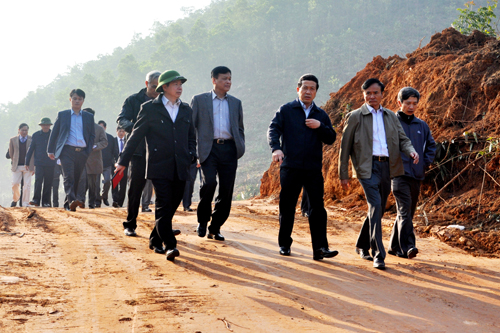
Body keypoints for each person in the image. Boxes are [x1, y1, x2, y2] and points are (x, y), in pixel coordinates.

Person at [115, 70, 196, 261]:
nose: (179, 87)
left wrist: (192, 154)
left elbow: (191, 136)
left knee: (172, 205)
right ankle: (170, 245)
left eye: (181, 84)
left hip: (181, 164)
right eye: (175, 84)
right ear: (164, 87)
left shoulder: (186, 109)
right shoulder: (149, 108)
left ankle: (154, 239)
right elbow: (135, 136)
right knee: (162, 204)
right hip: (159, 164)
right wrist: (123, 161)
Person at [339, 78, 418, 270]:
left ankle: (361, 244)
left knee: (378, 209)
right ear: (363, 95)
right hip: (366, 168)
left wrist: (411, 150)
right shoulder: (356, 116)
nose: (372, 96)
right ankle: (378, 254)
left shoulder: (391, 116)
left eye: (375, 93)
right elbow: (345, 147)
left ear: (383, 94)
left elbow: (402, 139)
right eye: (368, 93)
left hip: (387, 168)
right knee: (375, 205)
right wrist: (343, 174)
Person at [267, 74, 338, 260]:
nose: (308, 91)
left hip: (313, 169)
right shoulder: (287, 110)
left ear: (316, 92)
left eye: (312, 88)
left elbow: (331, 138)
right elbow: (273, 129)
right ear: (298, 89)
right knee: (287, 206)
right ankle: (284, 244)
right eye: (305, 88)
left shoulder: (320, 115)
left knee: (317, 208)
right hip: (291, 166)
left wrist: (320, 126)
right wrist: (276, 148)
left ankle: (320, 248)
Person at [191, 66, 245, 241]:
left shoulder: (236, 102)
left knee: (226, 190)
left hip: (229, 149)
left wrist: (240, 146)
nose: (228, 82)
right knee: (209, 184)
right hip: (208, 149)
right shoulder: (199, 100)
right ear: (214, 80)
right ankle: (202, 220)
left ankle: (216, 226)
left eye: (230, 78)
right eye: (224, 79)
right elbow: (191, 128)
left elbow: (239, 127)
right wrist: (193, 150)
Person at [389, 87, 436, 259]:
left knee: (408, 211)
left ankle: (394, 246)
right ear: (399, 102)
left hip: (416, 174)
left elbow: (431, 146)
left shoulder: (421, 125)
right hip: (398, 173)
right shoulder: (391, 122)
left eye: (414, 103)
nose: (411, 106)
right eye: (408, 103)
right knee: (404, 209)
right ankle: (408, 246)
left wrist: (424, 163)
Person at [117, 71, 161, 236]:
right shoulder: (133, 100)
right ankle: (130, 224)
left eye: (159, 87)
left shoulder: (165, 100)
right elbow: (122, 119)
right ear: (146, 84)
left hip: (160, 151)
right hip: (138, 151)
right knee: (136, 188)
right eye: (153, 86)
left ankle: (162, 227)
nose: (156, 90)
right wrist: (136, 128)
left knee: (163, 191)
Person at [47, 89, 95, 211]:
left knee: (77, 177)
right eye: (74, 98)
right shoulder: (63, 115)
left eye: (79, 99)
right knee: (69, 177)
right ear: (70, 100)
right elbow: (55, 133)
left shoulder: (89, 117)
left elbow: (92, 135)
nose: (77, 101)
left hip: (82, 151)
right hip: (66, 150)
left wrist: (88, 150)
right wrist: (50, 150)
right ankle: (73, 200)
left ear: (83, 101)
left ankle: (68, 203)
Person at [76, 108, 107, 209]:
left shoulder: (99, 128)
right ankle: (80, 201)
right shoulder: (78, 127)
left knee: (92, 183)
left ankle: (92, 203)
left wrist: (94, 146)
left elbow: (104, 142)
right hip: (81, 159)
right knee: (81, 180)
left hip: (94, 159)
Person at [26, 117, 56, 207]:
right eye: (44, 125)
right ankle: (36, 200)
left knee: (48, 182)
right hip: (39, 163)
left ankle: (46, 202)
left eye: (47, 125)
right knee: (38, 181)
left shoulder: (54, 135)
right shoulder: (36, 135)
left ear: (50, 125)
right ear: (41, 126)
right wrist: (27, 162)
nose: (46, 126)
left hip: (51, 162)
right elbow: (31, 149)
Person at [9, 123, 35, 207]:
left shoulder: (32, 139)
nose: (24, 132)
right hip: (17, 165)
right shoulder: (13, 140)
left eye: (26, 130)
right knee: (15, 183)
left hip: (28, 165)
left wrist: (33, 166)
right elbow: (11, 153)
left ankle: (25, 203)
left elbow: (34, 153)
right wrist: (14, 163)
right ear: (19, 130)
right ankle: (16, 198)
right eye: (23, 130)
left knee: (27, 185)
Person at [97, 120, 116, 207]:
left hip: (107, 164)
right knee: (96, 183)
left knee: (108, 181)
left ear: (105, 128)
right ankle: (97, 201)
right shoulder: (94, 138)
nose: (101, 129)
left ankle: (104, 196)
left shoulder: (111, 138)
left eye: (102, 127)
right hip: (96, 164)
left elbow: (114, 151)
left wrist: (116, 161)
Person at [112, 126, 127, 207]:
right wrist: (115, 163)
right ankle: (115, 200)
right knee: (115, 182)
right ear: (116, 131)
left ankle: (120, 202)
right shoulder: (113, 141)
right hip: (115, 166)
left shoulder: (127, 141)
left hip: (125, 166)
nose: (121, 133)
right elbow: (111, 154)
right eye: (120, 131)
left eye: (123, 131)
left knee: (123, 184)